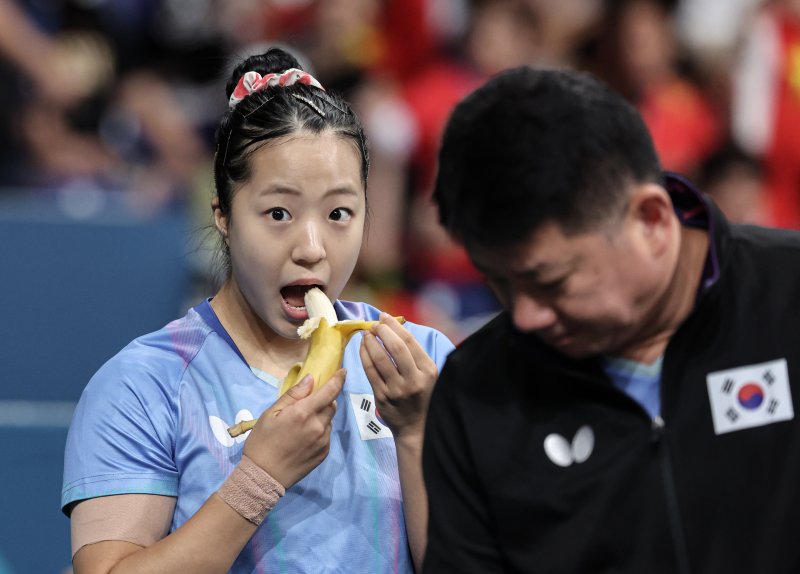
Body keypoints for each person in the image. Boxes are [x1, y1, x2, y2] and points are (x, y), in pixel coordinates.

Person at [61, 47, 454, 573]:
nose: (312, 246)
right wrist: (260, 477)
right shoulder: (144, 385)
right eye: (278, 213)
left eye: (339, 212)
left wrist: (417, 433)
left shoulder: (421, 363)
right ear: (223, 214)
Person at [422, 66, 800, 573]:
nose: (527, 315)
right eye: (500, 283)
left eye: (552, 283)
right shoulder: (476, 392)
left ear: (651, 220)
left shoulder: (789, 294)